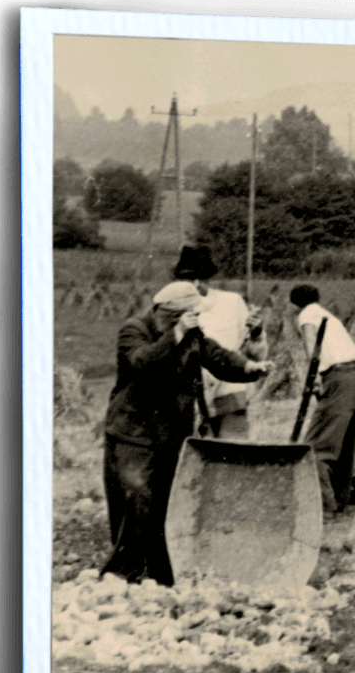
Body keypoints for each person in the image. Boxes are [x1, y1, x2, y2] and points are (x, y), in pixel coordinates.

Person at [101, 281, 271, 585]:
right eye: (192, 314)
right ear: (173, 314)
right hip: (134, 430)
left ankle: (160, 572)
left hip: (171, 431)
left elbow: (216, 356)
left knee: (167, 499)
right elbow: (142, 362)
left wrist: (248, 367)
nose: (197, 319)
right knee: (137, 496)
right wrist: (176, 334)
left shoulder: (191, 334)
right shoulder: (134, 330)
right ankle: (122, 572)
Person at [291, 283, 355, 517]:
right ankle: (339, 502)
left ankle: (323, 508)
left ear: (295, 304)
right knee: (343, 446)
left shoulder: (306, 315)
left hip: (339, 378)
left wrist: (313, 378)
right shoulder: (327, 316)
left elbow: (310, 344)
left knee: (316, 447)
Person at [175, 245, 266, 440]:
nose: (197, 284)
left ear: (209, 277)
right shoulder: (173, 308)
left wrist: (256, 333)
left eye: (202, 277)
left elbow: (255, 354)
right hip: (192, 400)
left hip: (230, 395)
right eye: (190, 279)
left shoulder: (231, 302)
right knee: (195, 452)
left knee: (233, 450)